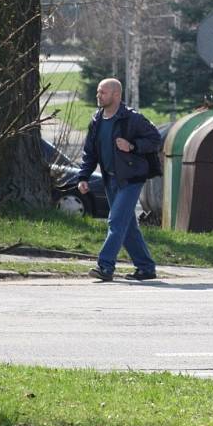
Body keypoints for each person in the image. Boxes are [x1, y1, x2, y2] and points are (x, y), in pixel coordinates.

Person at [77, 78, 161, 281]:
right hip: (110, 179)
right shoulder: (96, 120)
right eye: (98, 92)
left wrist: (132, 146)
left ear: (116, 95)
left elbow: (155, 139)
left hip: (132, 178)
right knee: (127, 225)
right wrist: (83, 177)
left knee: (115, 221)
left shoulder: (132, 118)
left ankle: (105, 267)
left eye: (103, 92)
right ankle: (146, 268)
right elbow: (90, 153)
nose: (98, 95)